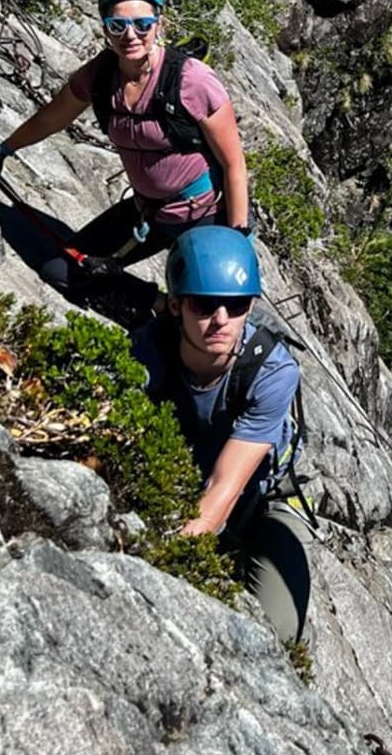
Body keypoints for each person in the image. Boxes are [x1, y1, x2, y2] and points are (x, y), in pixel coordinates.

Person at [0, 0, 249, 301]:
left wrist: (237, 243)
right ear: (105, 28)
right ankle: (155, 301)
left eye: (142, 24)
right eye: (117, 25)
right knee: (62, 273)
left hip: (202, 213)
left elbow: (234, 165)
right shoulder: (100, 78)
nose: (130, 35)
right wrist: (1, 152)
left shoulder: (191, 81)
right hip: (146, 211)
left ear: (159, 23)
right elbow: (50, 120)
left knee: (210, 302)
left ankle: (174, 305)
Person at [131, 224, 314, 642]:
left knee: (280, 631)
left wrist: (161, 567)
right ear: (175, 305)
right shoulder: (146, 352)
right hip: (177, 481)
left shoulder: (270, 372)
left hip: (261, 498)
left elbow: (224, 487)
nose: (221, 320)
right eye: (204, 304)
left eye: (236, 306)